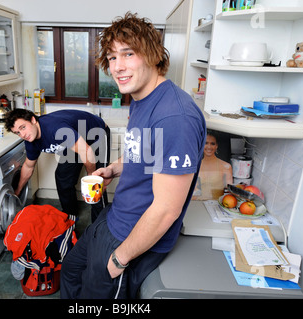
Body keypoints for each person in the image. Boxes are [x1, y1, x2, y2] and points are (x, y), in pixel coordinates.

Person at [60, 12, 206, 299]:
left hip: (132, 238)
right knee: (71, 270)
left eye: (128, 54)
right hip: (114, 218)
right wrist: (114, 169)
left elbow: (166, 210)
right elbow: (142, 153)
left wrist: (118, 260)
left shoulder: (175, 116)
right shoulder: (142, 99)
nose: (118, 67)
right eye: (112, 58)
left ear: (152, 55)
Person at [4, 108, 110, 222]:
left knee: (96, 182)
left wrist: (91, 175)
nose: (23, 135)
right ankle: (70, 218)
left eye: (23, 127)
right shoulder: (31, 140)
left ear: (33, 120)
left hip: (96, 135)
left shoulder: (55, 129)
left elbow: (86, 151)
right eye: (17, 132)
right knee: (63, 177)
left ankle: (100, 225)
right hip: (76, 142)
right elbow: (28, 166)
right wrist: (18, 191)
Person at [192, 131, 233, 200]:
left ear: (216, 146)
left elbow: (229, 192)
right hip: (198, 204)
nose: (209, 147)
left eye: (212, 144)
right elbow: (194, 192)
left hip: (218, 205)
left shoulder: (226, 166)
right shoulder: (195, 166)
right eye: (206, 143)